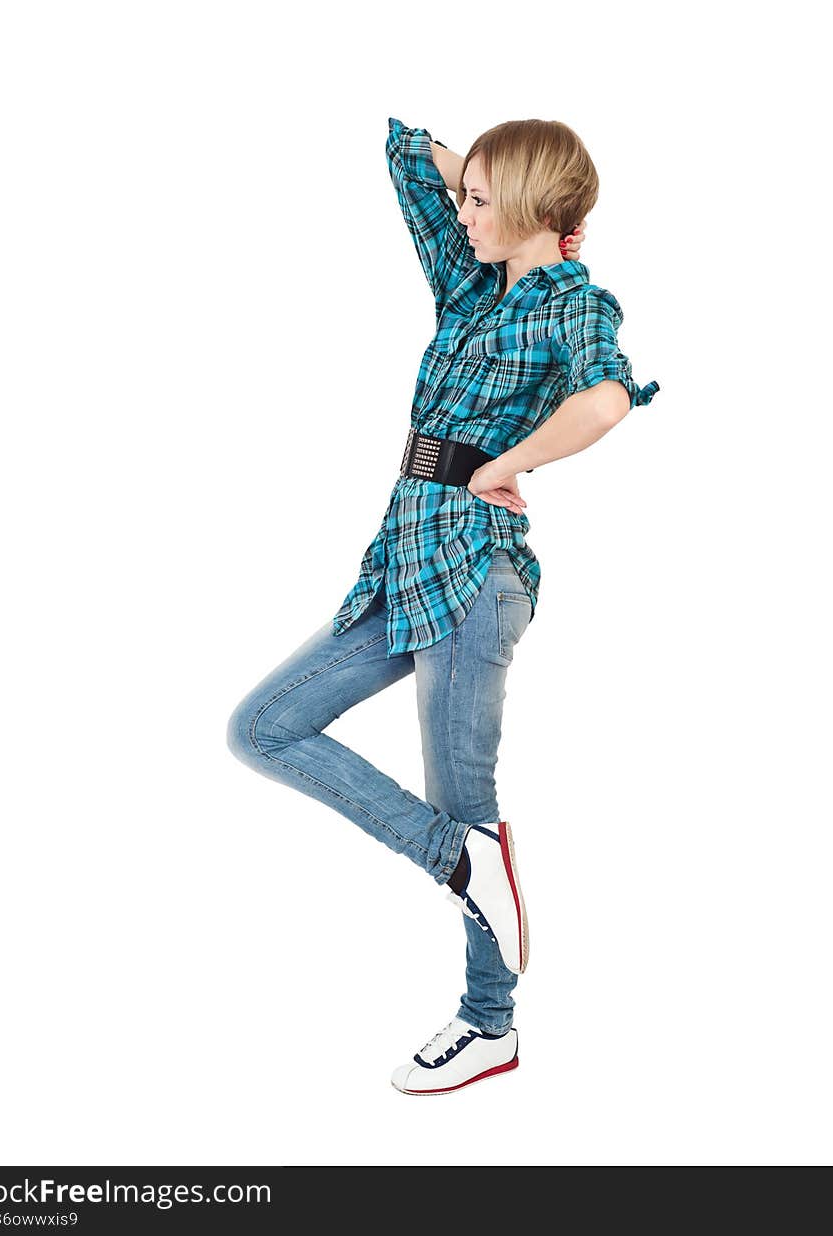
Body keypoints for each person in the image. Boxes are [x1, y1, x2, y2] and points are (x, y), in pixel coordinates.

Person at [226, 115, 660, 1095]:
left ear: (534, 212)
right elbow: (407, 153)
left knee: (468, 807)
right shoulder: (471, 284)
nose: (461, 214)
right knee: (264, 727)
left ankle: (488, 1023)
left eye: (480, 203)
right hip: (402, 564)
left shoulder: (568, 299)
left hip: (469, 573)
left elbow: (605, 400)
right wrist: (488, 178)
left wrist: (506, 463)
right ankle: (453, 860)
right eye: (467, 199)